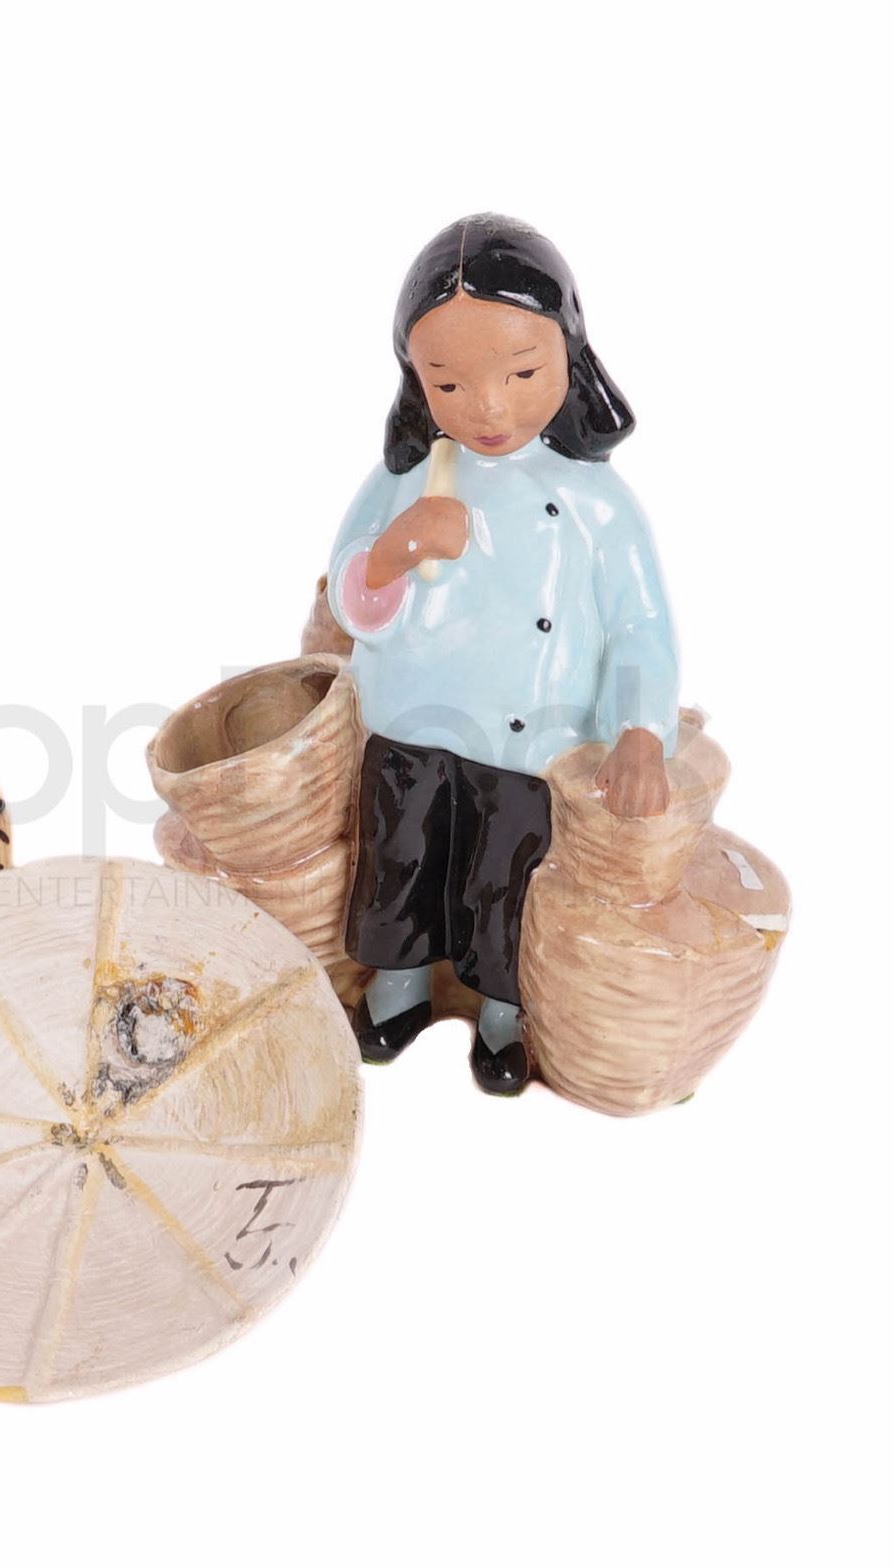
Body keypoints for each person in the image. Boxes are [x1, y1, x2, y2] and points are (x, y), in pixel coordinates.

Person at [326, 214, 678, 1096]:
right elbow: (347, 593)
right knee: (399, 867)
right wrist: (397, 549)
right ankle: (398, 988)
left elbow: (640, 625)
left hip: (530, 742)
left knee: (504, 884)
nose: (487, 406)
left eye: (521, 373)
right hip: (409, 722)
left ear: (571, 354)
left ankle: (502, 1016)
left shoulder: (597, 503)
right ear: (416, 378)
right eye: (448, 382)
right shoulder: (409, 478)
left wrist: (641, 731)